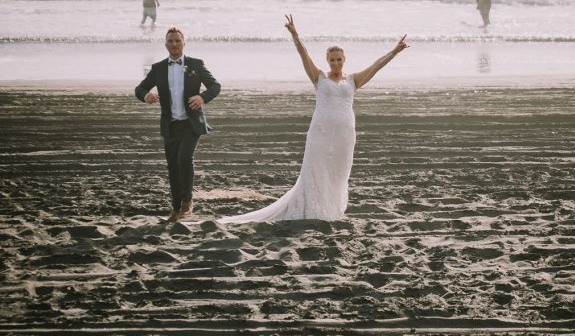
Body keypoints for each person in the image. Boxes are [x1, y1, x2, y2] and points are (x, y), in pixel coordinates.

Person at [219, 16, 408, 224]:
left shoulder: (353, 80)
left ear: (344, 60)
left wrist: (394, 52)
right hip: (320, 132)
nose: (336, 63)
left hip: (344, 134)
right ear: (328, 61)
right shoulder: (319, 77)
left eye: (339, 59)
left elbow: (375, 67)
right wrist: (295, 35)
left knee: (337, 173)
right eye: (332, 59)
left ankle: (330, 210)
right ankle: (312, 209)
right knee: (315, 170)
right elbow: (304, 55)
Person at [135, 27, 221, 223]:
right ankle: (175, 207)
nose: (174, 44)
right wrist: (145, 95)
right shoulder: (158, 69)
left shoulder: (194, 65)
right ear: (166, 45)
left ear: (184, 43)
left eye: (177, 41)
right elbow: (139, 88)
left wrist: (202, 97)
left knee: (184, 159)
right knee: (172, 166)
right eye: (170, 41)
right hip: (170, 125)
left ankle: (187, 201)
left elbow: (215, 86)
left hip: (191, 123)